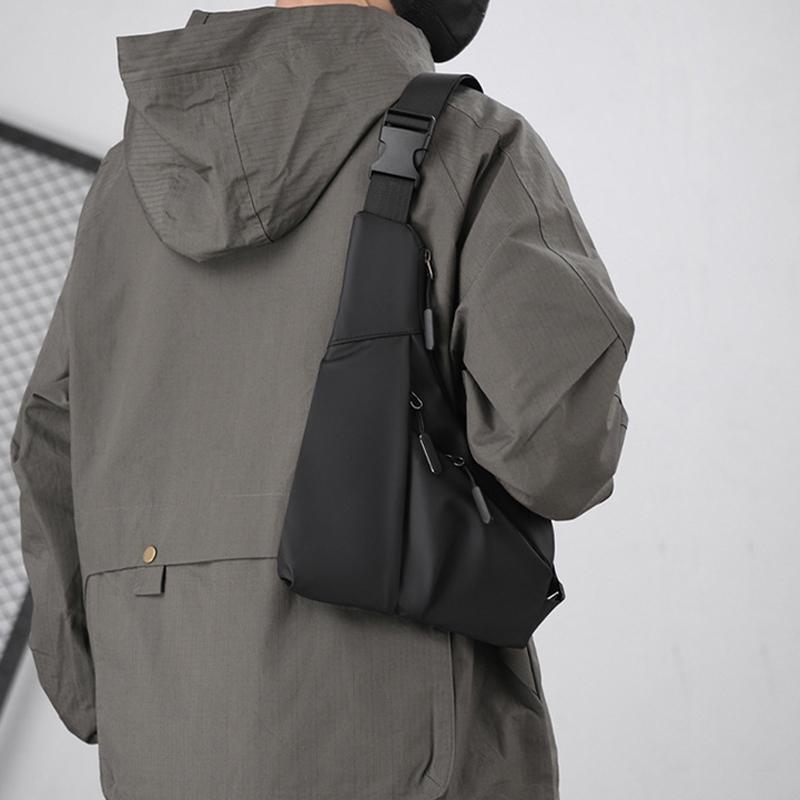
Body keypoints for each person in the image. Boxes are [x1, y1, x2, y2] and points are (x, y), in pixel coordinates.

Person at [8, 2, 634, 798]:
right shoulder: (468, 145)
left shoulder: (124, 189)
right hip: (404, 746)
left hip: (160, 746)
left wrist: (102, 693)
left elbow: (49, 444)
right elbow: (559, 457)